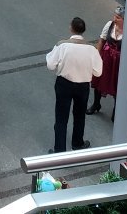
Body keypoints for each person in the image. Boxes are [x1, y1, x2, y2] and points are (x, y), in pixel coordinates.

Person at [46, 16, 103, 153]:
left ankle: (59, 149)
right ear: (83, 31)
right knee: (79, 115)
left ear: (71, 28)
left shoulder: (62, 45)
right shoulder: (91, 49)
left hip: (64, 84)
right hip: (82, 86)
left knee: (61, 117)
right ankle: (77, 143)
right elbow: (98, 72)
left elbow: (50, 65)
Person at [88, 6, 124, 121]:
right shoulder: (109, 25)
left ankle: (116, 110)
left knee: (117, 86)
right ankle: (96, 104)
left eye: (118, 17)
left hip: (119, 63)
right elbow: (102, 40)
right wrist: (97, 56)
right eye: (114, 16)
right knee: (99, 80)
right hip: (106, 58)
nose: (114, 19)